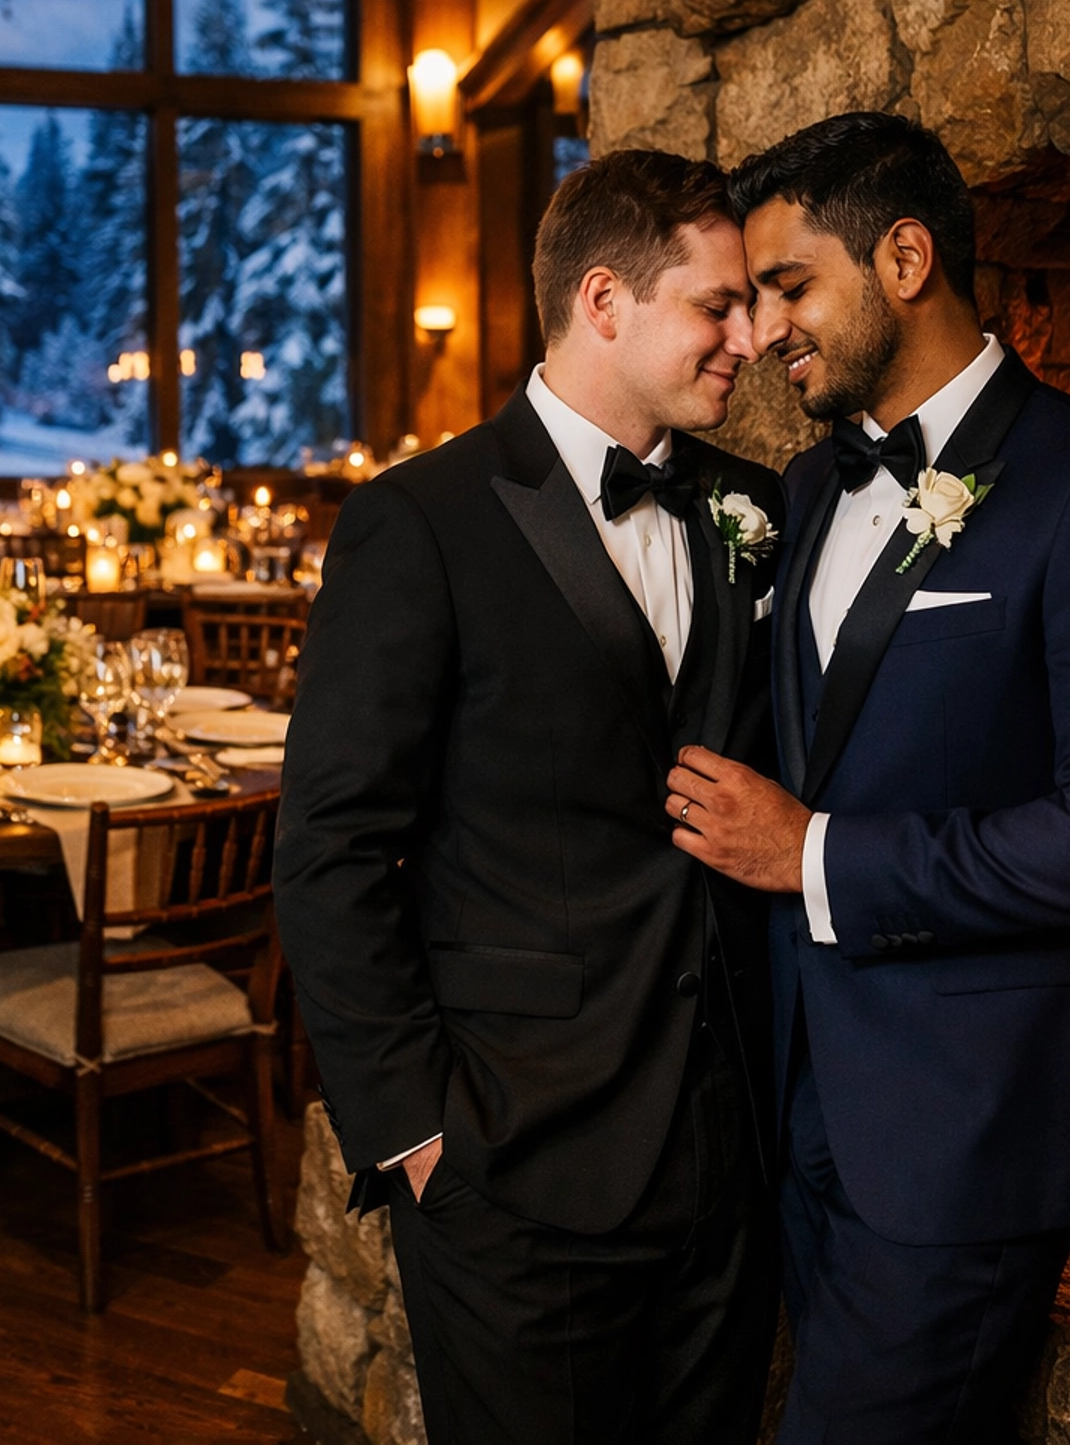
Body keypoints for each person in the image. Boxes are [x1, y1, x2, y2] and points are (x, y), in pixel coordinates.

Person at [664, 111, 1070, 1445]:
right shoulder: (803, 491)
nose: (768, 331)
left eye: (793, 286)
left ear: (906, 257)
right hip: (805, 1107)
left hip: (972, 1130)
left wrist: (814, 856)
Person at [275, 149, 785, 1445]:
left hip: (726, 1156)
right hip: (516, 1163)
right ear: (603, 300)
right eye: (716, 305)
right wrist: (418, 1137)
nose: (753, 335)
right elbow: (330, 850)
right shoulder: (422, 522)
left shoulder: (752, 508)